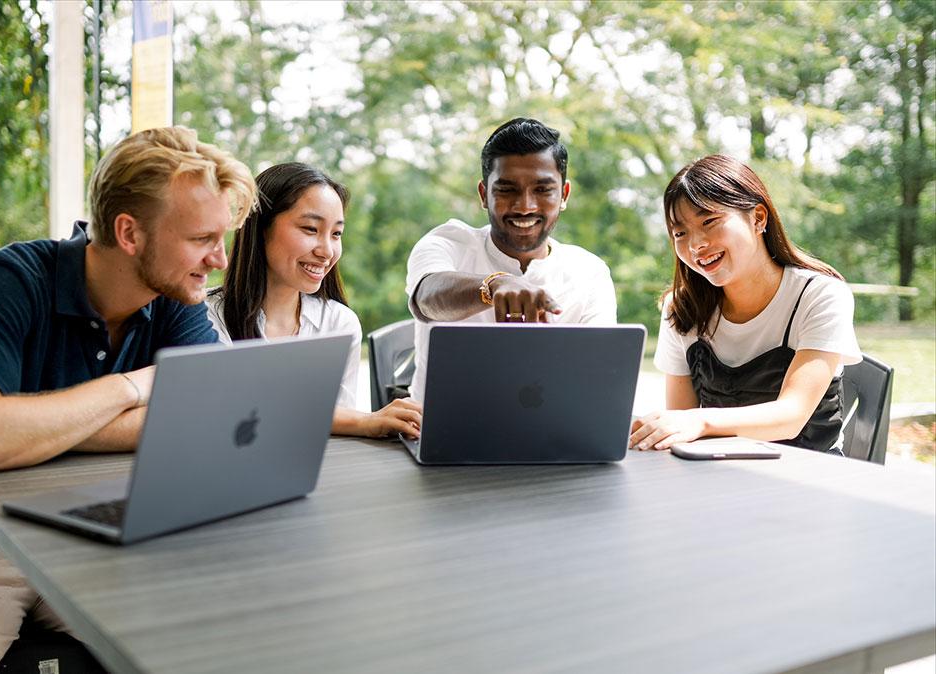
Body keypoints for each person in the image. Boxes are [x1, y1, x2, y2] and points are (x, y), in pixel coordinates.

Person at [0, 126, 257, 673]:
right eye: (202, 239)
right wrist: (132, 387)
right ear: (130, 233)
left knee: (217, 646)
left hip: (101, 530)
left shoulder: (175, 296)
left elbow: (206, 417)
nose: (219, 260)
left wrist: (30, 424)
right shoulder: (12, 279)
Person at [630, 154, 861, 453]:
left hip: (811, 476)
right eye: (680, 233)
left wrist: (700, 421)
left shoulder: (820, 295)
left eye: (709, 221)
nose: (695, 244)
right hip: (721, 472)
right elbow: (679, 428)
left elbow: (791, 416)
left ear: (758, 218)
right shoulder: (681, 309)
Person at [405, 117, 617, 401]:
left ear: (564, 195)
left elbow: (598, 380)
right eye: (507, 190)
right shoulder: (446, 243)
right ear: (484, 194)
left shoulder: (590, 272)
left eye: (543, 190)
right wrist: (496, 284)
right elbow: (427, 298)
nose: (525, 206)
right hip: (443, 432)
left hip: (556, 433)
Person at [207, 162, 423, 439]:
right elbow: (233, 416)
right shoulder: (208, 318)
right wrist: (365, 421)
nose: (327, 251)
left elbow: (336, 434)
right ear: (260, 228)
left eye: (336, 234)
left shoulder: (338, 323)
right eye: (310, 229)